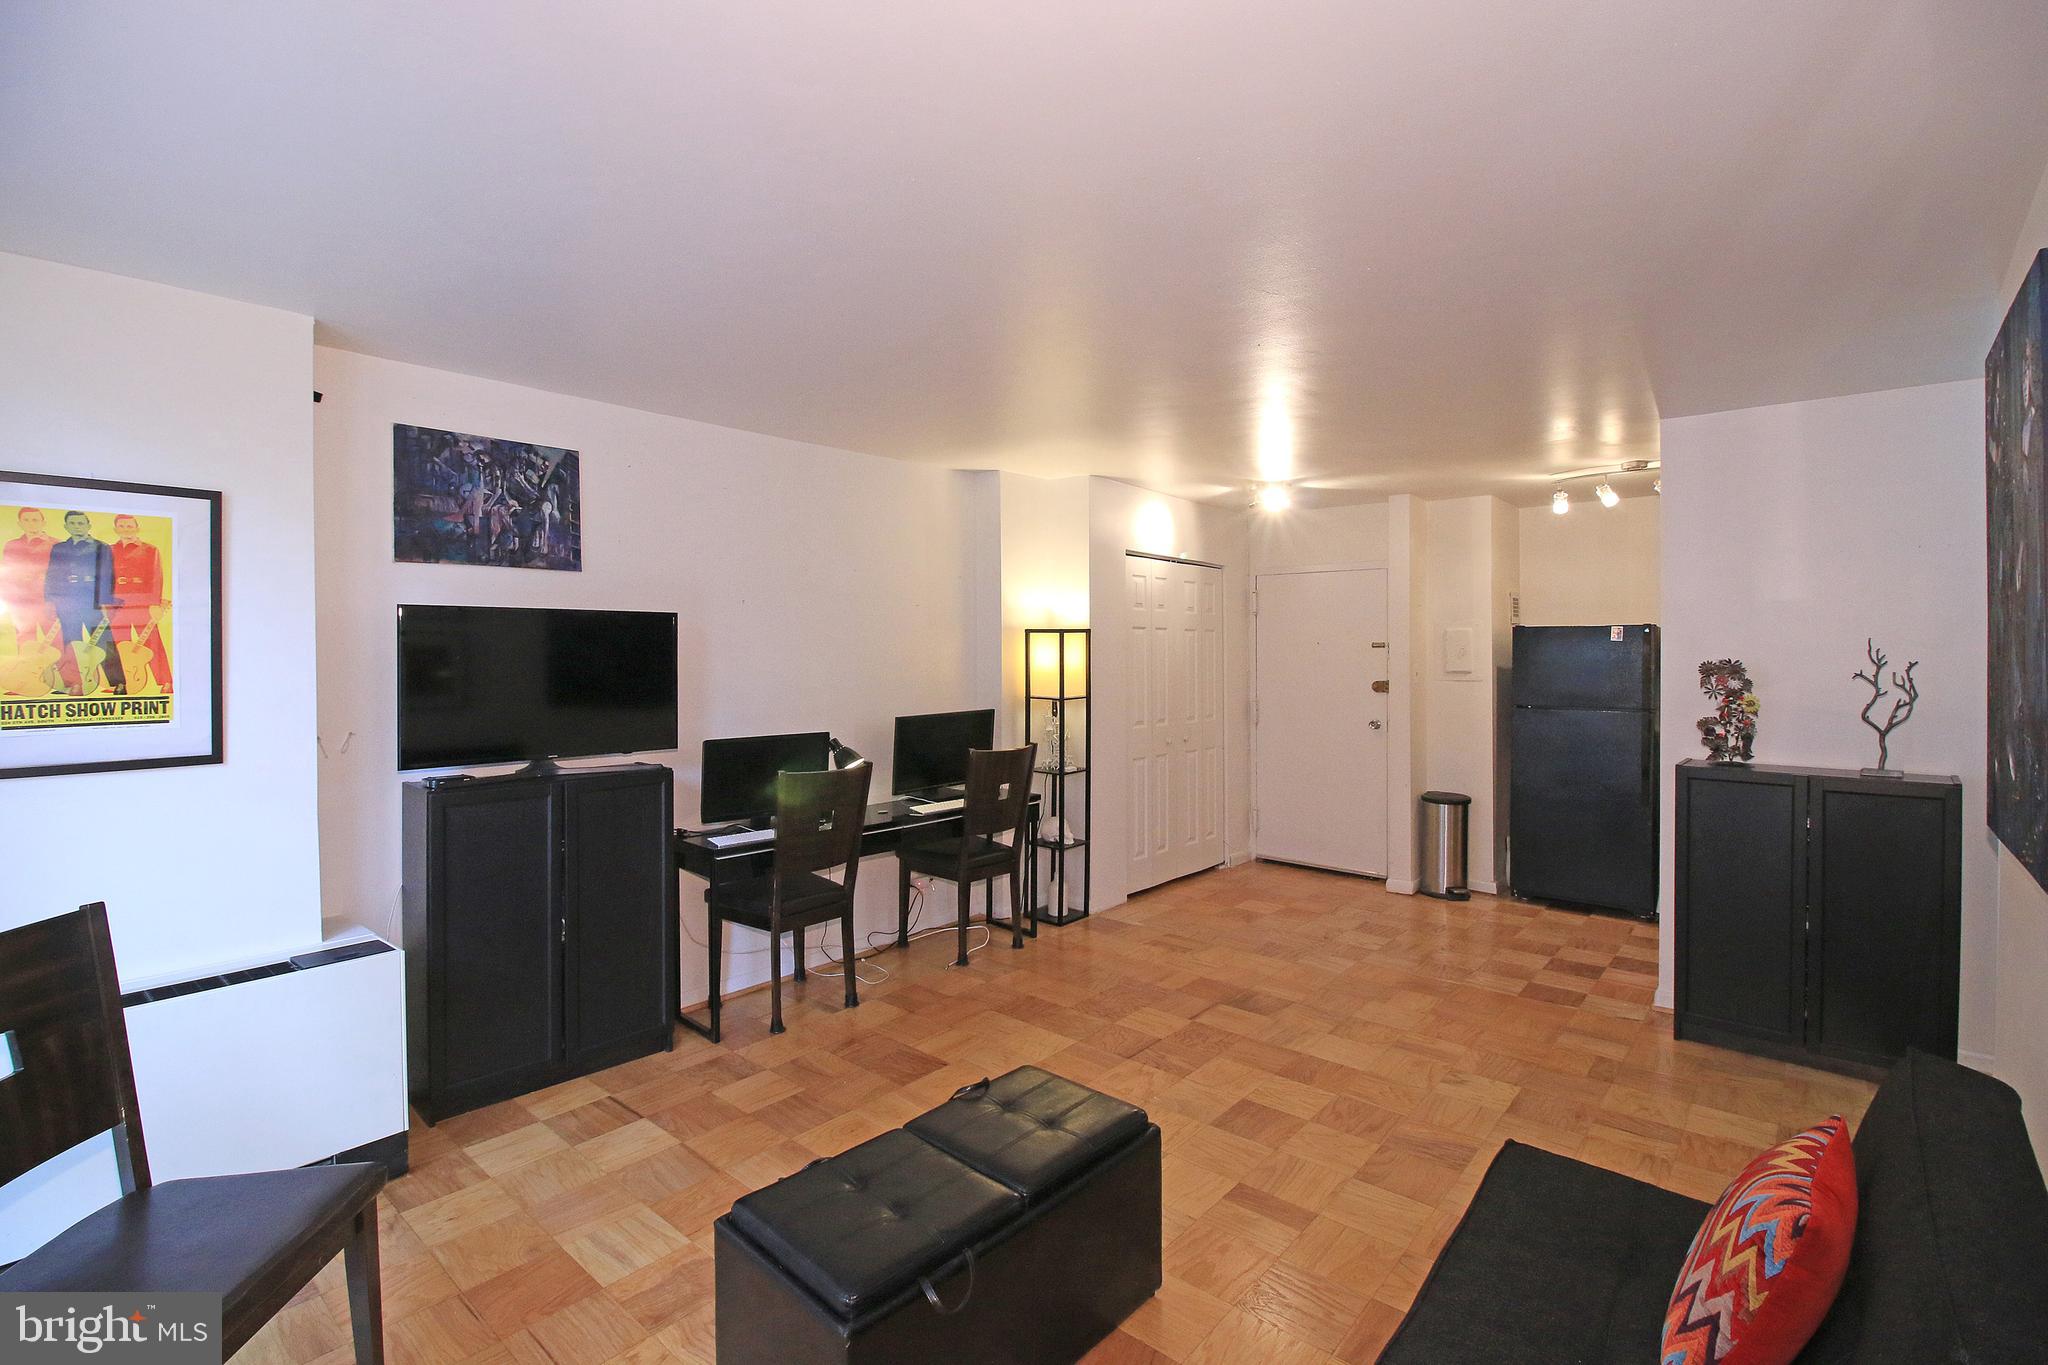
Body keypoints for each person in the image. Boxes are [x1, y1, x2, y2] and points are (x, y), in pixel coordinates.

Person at [43, 510, 126, 695]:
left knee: (104, 642)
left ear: (88, 526)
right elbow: (52, 576)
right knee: (71, 643)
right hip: (67, 602)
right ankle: (74, 683)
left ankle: (119, 683)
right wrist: (50, 601)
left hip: (93, 601)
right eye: (72, 523)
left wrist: (106, 603)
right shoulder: (59, 548)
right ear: (66, 527)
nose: (76, 527)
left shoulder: (100, 547)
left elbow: (107, 575)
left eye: (80, 523)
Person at [109, 513, 171, 694]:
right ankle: (123, 682)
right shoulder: (110, 550)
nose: (126, 530)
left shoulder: (150, 550)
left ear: (137, 528)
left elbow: (156, 577)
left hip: (143, 603)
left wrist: (155, 603)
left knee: (152, 642)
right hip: (117, 603)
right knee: (119, 643)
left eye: (130, 526)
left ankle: (166, 681)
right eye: (122, 526)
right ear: (115, 529)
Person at [1, 505, 57, 652]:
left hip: (48, 602)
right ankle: (30, 675)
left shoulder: (56, 544)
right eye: (26, 520)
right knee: (25, 643)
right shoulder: (12, 545)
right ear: (20, 523)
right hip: (22, 603)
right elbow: (7, 574)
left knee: (55, 643)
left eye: (35, 519)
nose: (31, 523)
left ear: (43, 522)